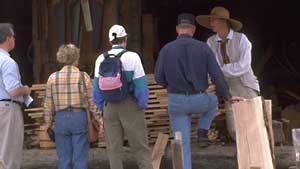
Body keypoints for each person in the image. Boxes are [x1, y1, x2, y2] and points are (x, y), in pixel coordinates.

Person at [154, 13, 241, 169]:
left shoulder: (166, 49)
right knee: (213, 100)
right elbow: (216, 75)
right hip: (199, 100)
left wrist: (171, 86)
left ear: (177, 29)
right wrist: (227, 96)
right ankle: (202, 131)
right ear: (193, 30)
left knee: (182, 144)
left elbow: (159, 78)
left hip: (176, 102)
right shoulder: (203, 48)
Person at [93, 24, 153, 169]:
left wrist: (102, 107)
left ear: (110, 42)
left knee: (114, 150)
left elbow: (96, 89)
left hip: (109, 107)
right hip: (130, 105)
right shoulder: (133, 57)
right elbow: (140, 87)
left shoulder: (100, 59)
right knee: (140, 147)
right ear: (124, 39)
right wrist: (141, 105)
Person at [196, 6, 260, 141]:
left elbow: (244, 65)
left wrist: (219, 70)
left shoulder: (241, 39)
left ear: (224, 22)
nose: (211, 23)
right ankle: (242, 155)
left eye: (214, 20)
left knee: (254, 123)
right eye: (211, 20)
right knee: (234, 127)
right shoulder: (211, 42)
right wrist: (216, 72)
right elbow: (209, 65)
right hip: (227, 87)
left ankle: (258, 156)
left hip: (245, 84)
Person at [44, 44, 101, 169]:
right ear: (76, 57)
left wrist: (48, 123)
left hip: (60, 119)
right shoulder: (83, 76)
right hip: (79, 117)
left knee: (64, 159)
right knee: (80, 158)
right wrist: (98, 119)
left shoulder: (52, 78)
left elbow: (48, 105)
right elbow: (92, 102)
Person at [0, 23, 31, 169]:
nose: (14, 39)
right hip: (7, 109)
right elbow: (13, 90)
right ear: (7, 38)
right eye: (13, 36)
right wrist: (25, 89)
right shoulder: (7, 62)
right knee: (9, 154)